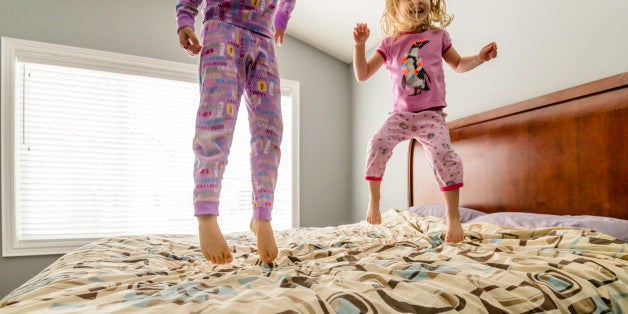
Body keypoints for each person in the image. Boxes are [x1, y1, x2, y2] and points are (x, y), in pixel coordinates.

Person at [353, 0, 497, 243]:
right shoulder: (389, 43)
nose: (418, 2)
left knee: (443, 155)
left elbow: (459, 64)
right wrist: (359, 46)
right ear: (395, 7)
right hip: (400, 115)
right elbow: (362, 74)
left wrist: (480, 58)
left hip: (431, 114)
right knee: (376, 144)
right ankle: (374, 202)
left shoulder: (438, 36)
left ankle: (453, 217)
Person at [175, 0, 296, 264]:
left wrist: (281, 18)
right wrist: (185, 16)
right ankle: (206, 216)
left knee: (270, 131)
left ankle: (262, 216)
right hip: (222, 25)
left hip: (263, 35)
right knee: (216, 121)